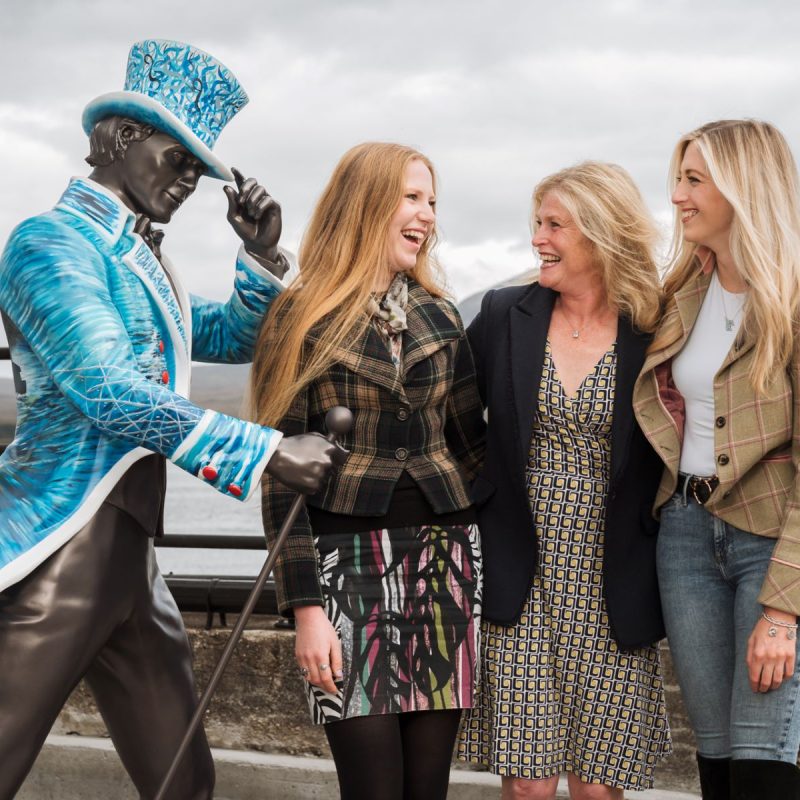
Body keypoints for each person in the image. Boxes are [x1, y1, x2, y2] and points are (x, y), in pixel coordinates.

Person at [0, 39, 338, 800]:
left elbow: (215, 340)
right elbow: (108, 390)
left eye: (198, 166)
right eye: (177, 157)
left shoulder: (138, 261)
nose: (188, 179)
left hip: (130, 563)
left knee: (184, 779)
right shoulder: (48, 244)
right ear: (121, 140)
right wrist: (267, 452)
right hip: (62, 554)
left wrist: (259, 257)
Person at [253, 141, 486, 800]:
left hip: (445, 565)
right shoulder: (298, 318)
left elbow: (473, 450)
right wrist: (305, 610)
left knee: (427, 788)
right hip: (343, 572)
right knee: (372, 785)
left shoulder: (442, 316)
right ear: (367, 206)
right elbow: (280, 474)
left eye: (432, 201)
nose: (427, 215)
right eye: (412, 198)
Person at [458, 162, 672, 799]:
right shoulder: (502, 314)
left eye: (555, 226)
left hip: (614, 582)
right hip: (519, 574)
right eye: (537, 223)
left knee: (599, 789)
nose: (538, 239)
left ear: (602, 235)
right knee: (526, 785)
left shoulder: (656, 327)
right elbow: (447, 413)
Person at [633, 119, 800, 799]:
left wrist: (784, 612)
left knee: (766, 759)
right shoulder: (684, 293)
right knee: (720, 760)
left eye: (694, 180)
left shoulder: (790, 298)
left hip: (771, 542)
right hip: (685, 538)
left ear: (742, 185)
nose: (677, 196)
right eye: (680, 179)